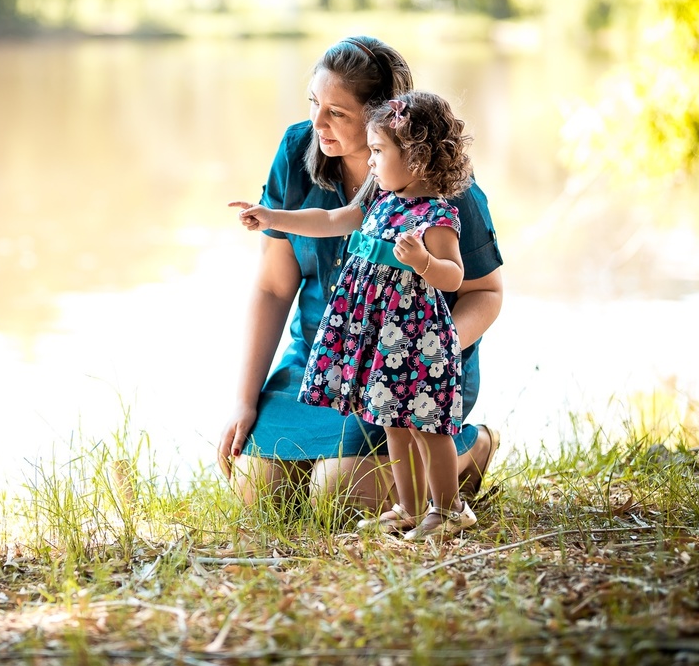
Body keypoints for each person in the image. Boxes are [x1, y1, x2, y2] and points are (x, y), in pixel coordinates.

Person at [215, 36, 503, 519]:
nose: (317, 123)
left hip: (409, 365)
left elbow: (486, 294)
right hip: (324, 358)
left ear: (383, 116)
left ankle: (467, 450)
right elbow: (273, 285)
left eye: (338, 113)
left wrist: (423, 353)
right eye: (314, 103)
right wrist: (245, 401)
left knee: (343, 493)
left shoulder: (439, 183)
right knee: (258, 490)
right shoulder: (298, 151)